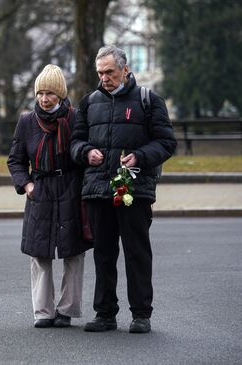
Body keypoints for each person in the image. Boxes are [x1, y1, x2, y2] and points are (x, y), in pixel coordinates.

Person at [70, 45, 177, 334]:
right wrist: (86, 152)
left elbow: (167, 143)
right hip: (97, 190)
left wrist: (140, 157)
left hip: (134, 190)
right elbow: (75, 142)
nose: (104, 78)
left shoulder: (148, 101)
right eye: (100, 73)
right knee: (103, 254)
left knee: (136, 253)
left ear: (125, 70)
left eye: (110, 72)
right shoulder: (89, 103)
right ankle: (105, 314)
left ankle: (141, 314)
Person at [8, 64, 92, 329]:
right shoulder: (26, 121)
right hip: (41, 188)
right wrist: (27, 185)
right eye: (40, 93)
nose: (44, 98)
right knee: (40, 252)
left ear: (61, 94)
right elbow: (16, 160)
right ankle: (43, 311)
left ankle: (67, 309)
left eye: (50, 93)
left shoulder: (77, 118)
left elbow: (83, 151)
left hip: (71, 187)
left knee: (73, 252)